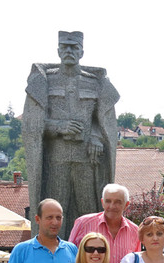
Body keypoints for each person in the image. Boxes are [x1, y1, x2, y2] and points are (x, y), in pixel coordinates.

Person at [22, 30, 119, 238]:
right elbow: (33, 124)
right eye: (64, 47)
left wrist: (95, 137)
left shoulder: (94, 82)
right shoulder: (46, 81)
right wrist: (59, 126)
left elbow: (103, 122)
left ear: (82, 52)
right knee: (54, 213)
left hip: (87, 160)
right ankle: (53, 257)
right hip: (56, 159)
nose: (69, 51)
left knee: (90, 212)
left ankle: (91, 257)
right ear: (58, 50)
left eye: (73, 47)